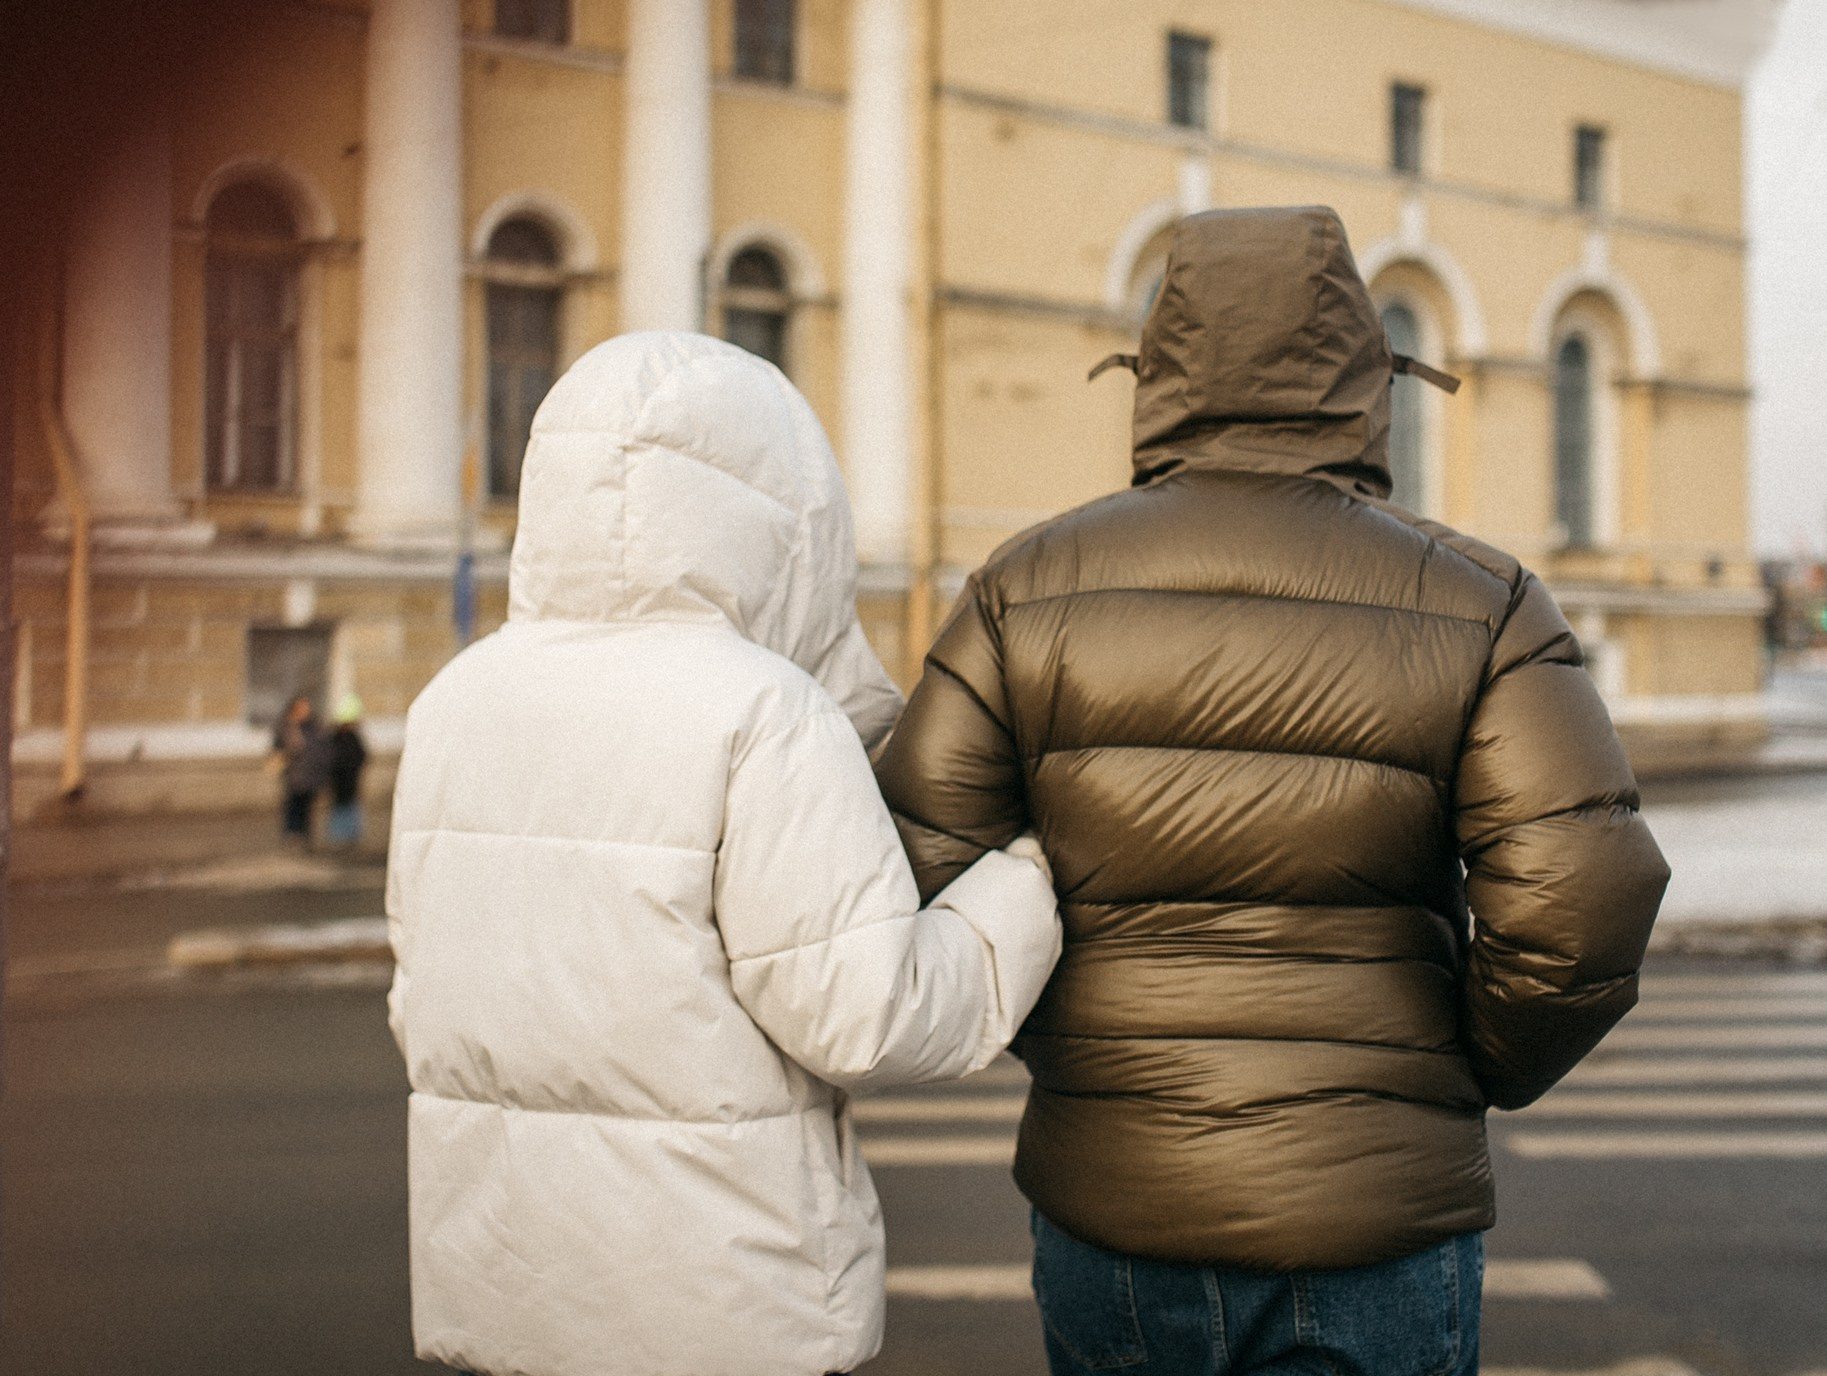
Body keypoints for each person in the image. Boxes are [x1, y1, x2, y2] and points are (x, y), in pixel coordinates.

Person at [875, 206, 1670, 1376]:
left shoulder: (1024, 587)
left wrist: (1088, 1044)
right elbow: (1581, 895)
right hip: (1377, 1214)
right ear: (1367, 376)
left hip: (1116, 1200)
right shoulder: (1482, 598)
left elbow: (923, 855)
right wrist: (1459, 1067)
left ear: (1158, 376)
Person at [385, 331, 1063, 1376]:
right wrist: (1024, 886)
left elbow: (417, 995)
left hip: (503, 1284)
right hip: (718, 1308)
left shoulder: (455, 701)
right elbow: (866, 1012)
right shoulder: (758, 711)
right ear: (785, 524)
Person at [270, 693, 326, 846]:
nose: (305, 710)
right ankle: (292, 835)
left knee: (307, 807)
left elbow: (320, 749)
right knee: (293, 805)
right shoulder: (287, 727)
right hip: (294, 775)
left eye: (306, 707)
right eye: (302, 707)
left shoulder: (314, 726)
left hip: (311, 774)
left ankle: (305, 835)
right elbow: (278, 749)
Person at [325, 692, 368, 847]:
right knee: (344, 808)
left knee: (344, 807)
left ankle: (345, 837)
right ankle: (344, 837)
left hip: (343, 780)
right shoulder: (346, 738)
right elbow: (358, 757)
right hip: (344, 780)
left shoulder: (336, 737)